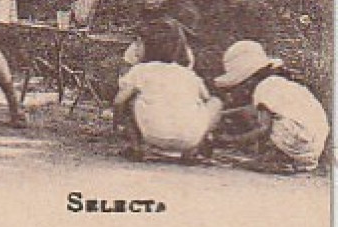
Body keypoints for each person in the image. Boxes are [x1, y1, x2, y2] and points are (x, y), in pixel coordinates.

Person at [111, 18, 220, 164]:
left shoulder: (140, 71)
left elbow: (118, 101)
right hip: (191, 138)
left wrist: (118, 125)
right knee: (215, 102)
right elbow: (207, 99)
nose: (135, 48)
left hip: (152, 134)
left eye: (138, 43)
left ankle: (135, 147)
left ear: (148, 47)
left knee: (131, 96)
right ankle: (191, 152)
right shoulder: (187, 74)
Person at [212, 41, 330, 174]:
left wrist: (232, 140)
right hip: (312, 145)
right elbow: (250, 110)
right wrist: (223, 114)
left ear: (249, 79)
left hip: (297, 141)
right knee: (269, 118)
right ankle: (289, 159)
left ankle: (279, 159)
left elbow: (263, 128)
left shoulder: (263, 88)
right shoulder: (278, 84)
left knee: (266, 125)